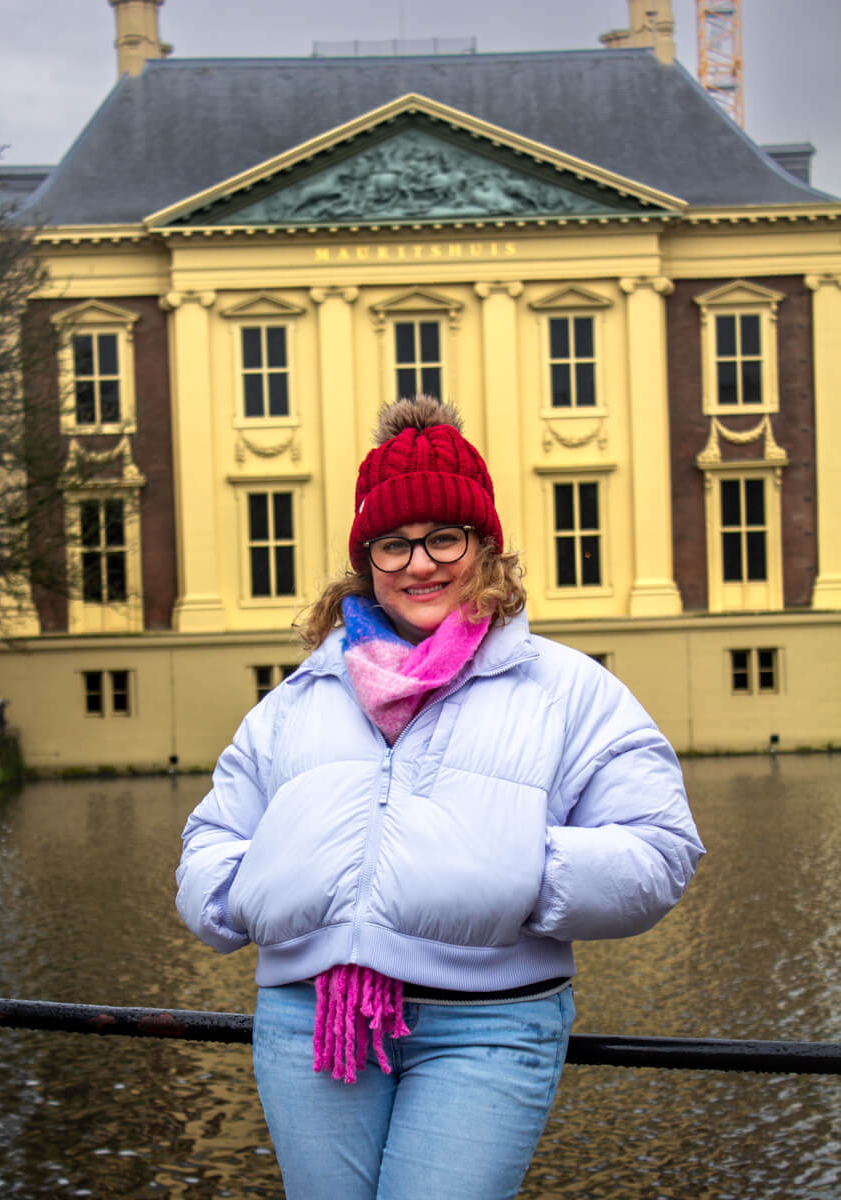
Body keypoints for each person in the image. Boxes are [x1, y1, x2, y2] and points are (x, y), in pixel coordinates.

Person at [176, 396, 704, 1200]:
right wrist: (250, 898)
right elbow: (211, 840)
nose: (419, 564)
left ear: (484, 548)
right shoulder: (301, 695)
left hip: (491, 1026)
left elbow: (660, 850)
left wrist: (518, 873)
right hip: (310, 1018)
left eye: (443, 538)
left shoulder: (568, 690)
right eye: (393, 544)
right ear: (368, 562)